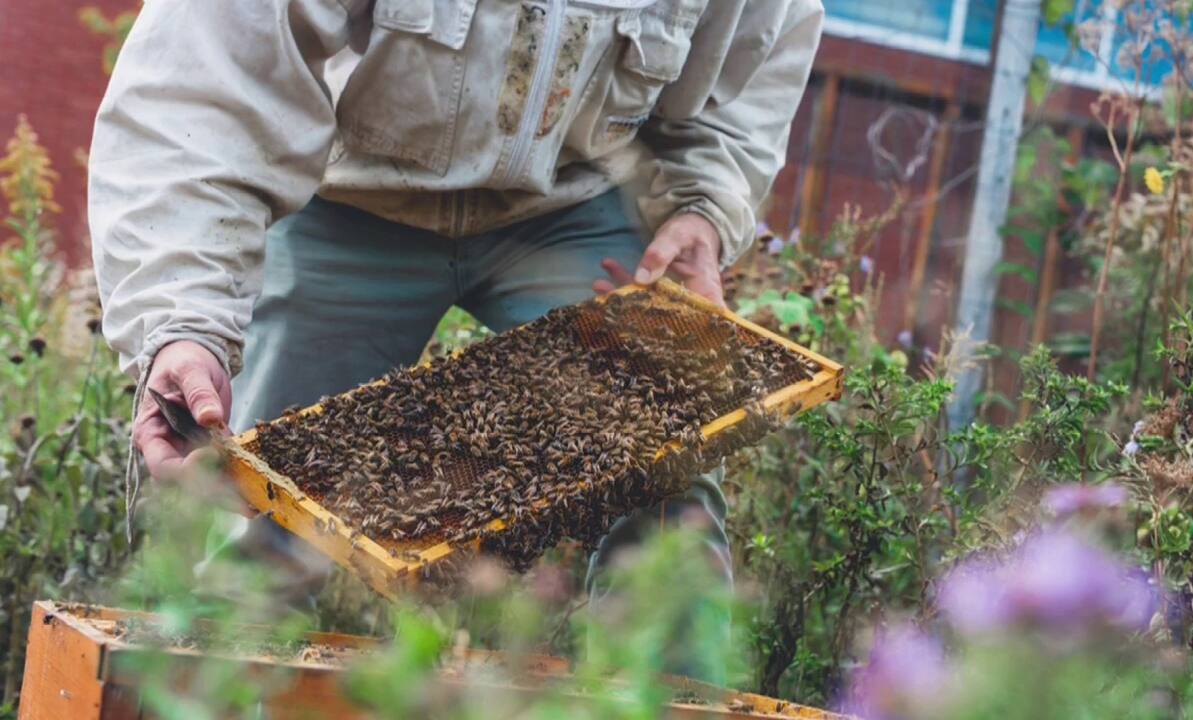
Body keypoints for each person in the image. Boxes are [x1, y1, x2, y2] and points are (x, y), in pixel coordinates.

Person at [89, 0, 822, 609]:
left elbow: (748, 72)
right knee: (261, 512)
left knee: (673, 482)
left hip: (573, 201)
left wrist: (699, 208)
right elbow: (207, 89)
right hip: (351, 199)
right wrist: (182, 321)